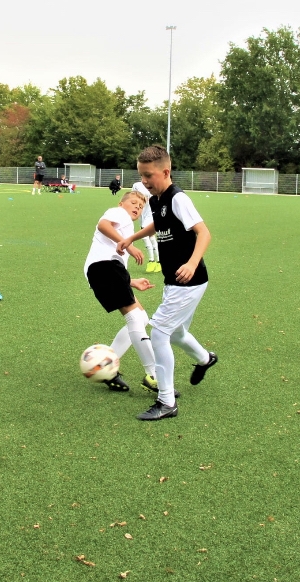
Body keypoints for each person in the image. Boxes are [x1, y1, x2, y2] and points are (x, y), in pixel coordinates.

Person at [117, 145, 217, 421]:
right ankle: (205, 359)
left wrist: (192, 263)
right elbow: (160, 225)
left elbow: (203, 233)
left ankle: (166, 401)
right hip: (174, 281)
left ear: (165, 171)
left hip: (189, 280)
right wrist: (131, 238)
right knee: (176, 333)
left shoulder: (178, 198)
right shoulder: (156, 199)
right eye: (141, 175)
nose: (144, 181)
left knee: (160, 333)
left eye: (148, 175)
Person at [84, 191, 161, 393]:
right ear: (121, 203)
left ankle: (105, 367)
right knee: (135, 318)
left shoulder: (125, 226)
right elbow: (103, 224)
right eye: (133, 203)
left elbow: (113, 258)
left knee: (141, 318)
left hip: (107, 271)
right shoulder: (118, 213)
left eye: (141, 206)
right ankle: (153, 375)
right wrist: (128, 245)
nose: (137, 207)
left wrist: (131, 281)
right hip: (104, 268)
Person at [132, 181, 161, 273]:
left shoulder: (152, 185)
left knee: (145, 236)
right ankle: (158, 261)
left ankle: (152, 261)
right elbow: (132, 197)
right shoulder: (136, 185)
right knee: (151, 238)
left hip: (150, 214)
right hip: (141, 214)